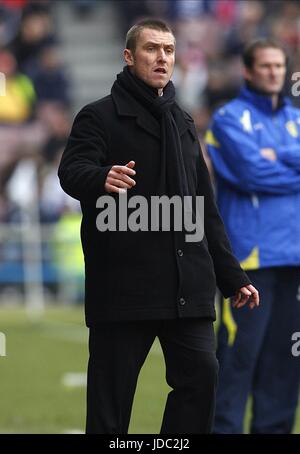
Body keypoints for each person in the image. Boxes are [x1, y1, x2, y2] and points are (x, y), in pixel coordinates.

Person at [58, 19, 259, 435]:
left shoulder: (184, 124)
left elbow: (204, 209)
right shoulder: (97, 117)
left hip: (189, 286)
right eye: (151, 49)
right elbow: (71, 171)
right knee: (110, 406)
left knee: (201, 381)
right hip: (124, 286)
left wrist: (231, 275)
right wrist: (100, 178)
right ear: (129, 57)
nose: (162, 57)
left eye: (168, 50)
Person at [206, 38, 300, 434]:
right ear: (247, 71)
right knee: (237, 358)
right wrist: (289, 160)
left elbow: (263, 168)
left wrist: (274, 155)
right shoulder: (228, 119)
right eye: (265, 66)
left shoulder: (297, 118)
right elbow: (249, 173)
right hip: (249, 263)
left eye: (279, 66)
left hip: (294, 260)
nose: (274, 73)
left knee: (285, 362)